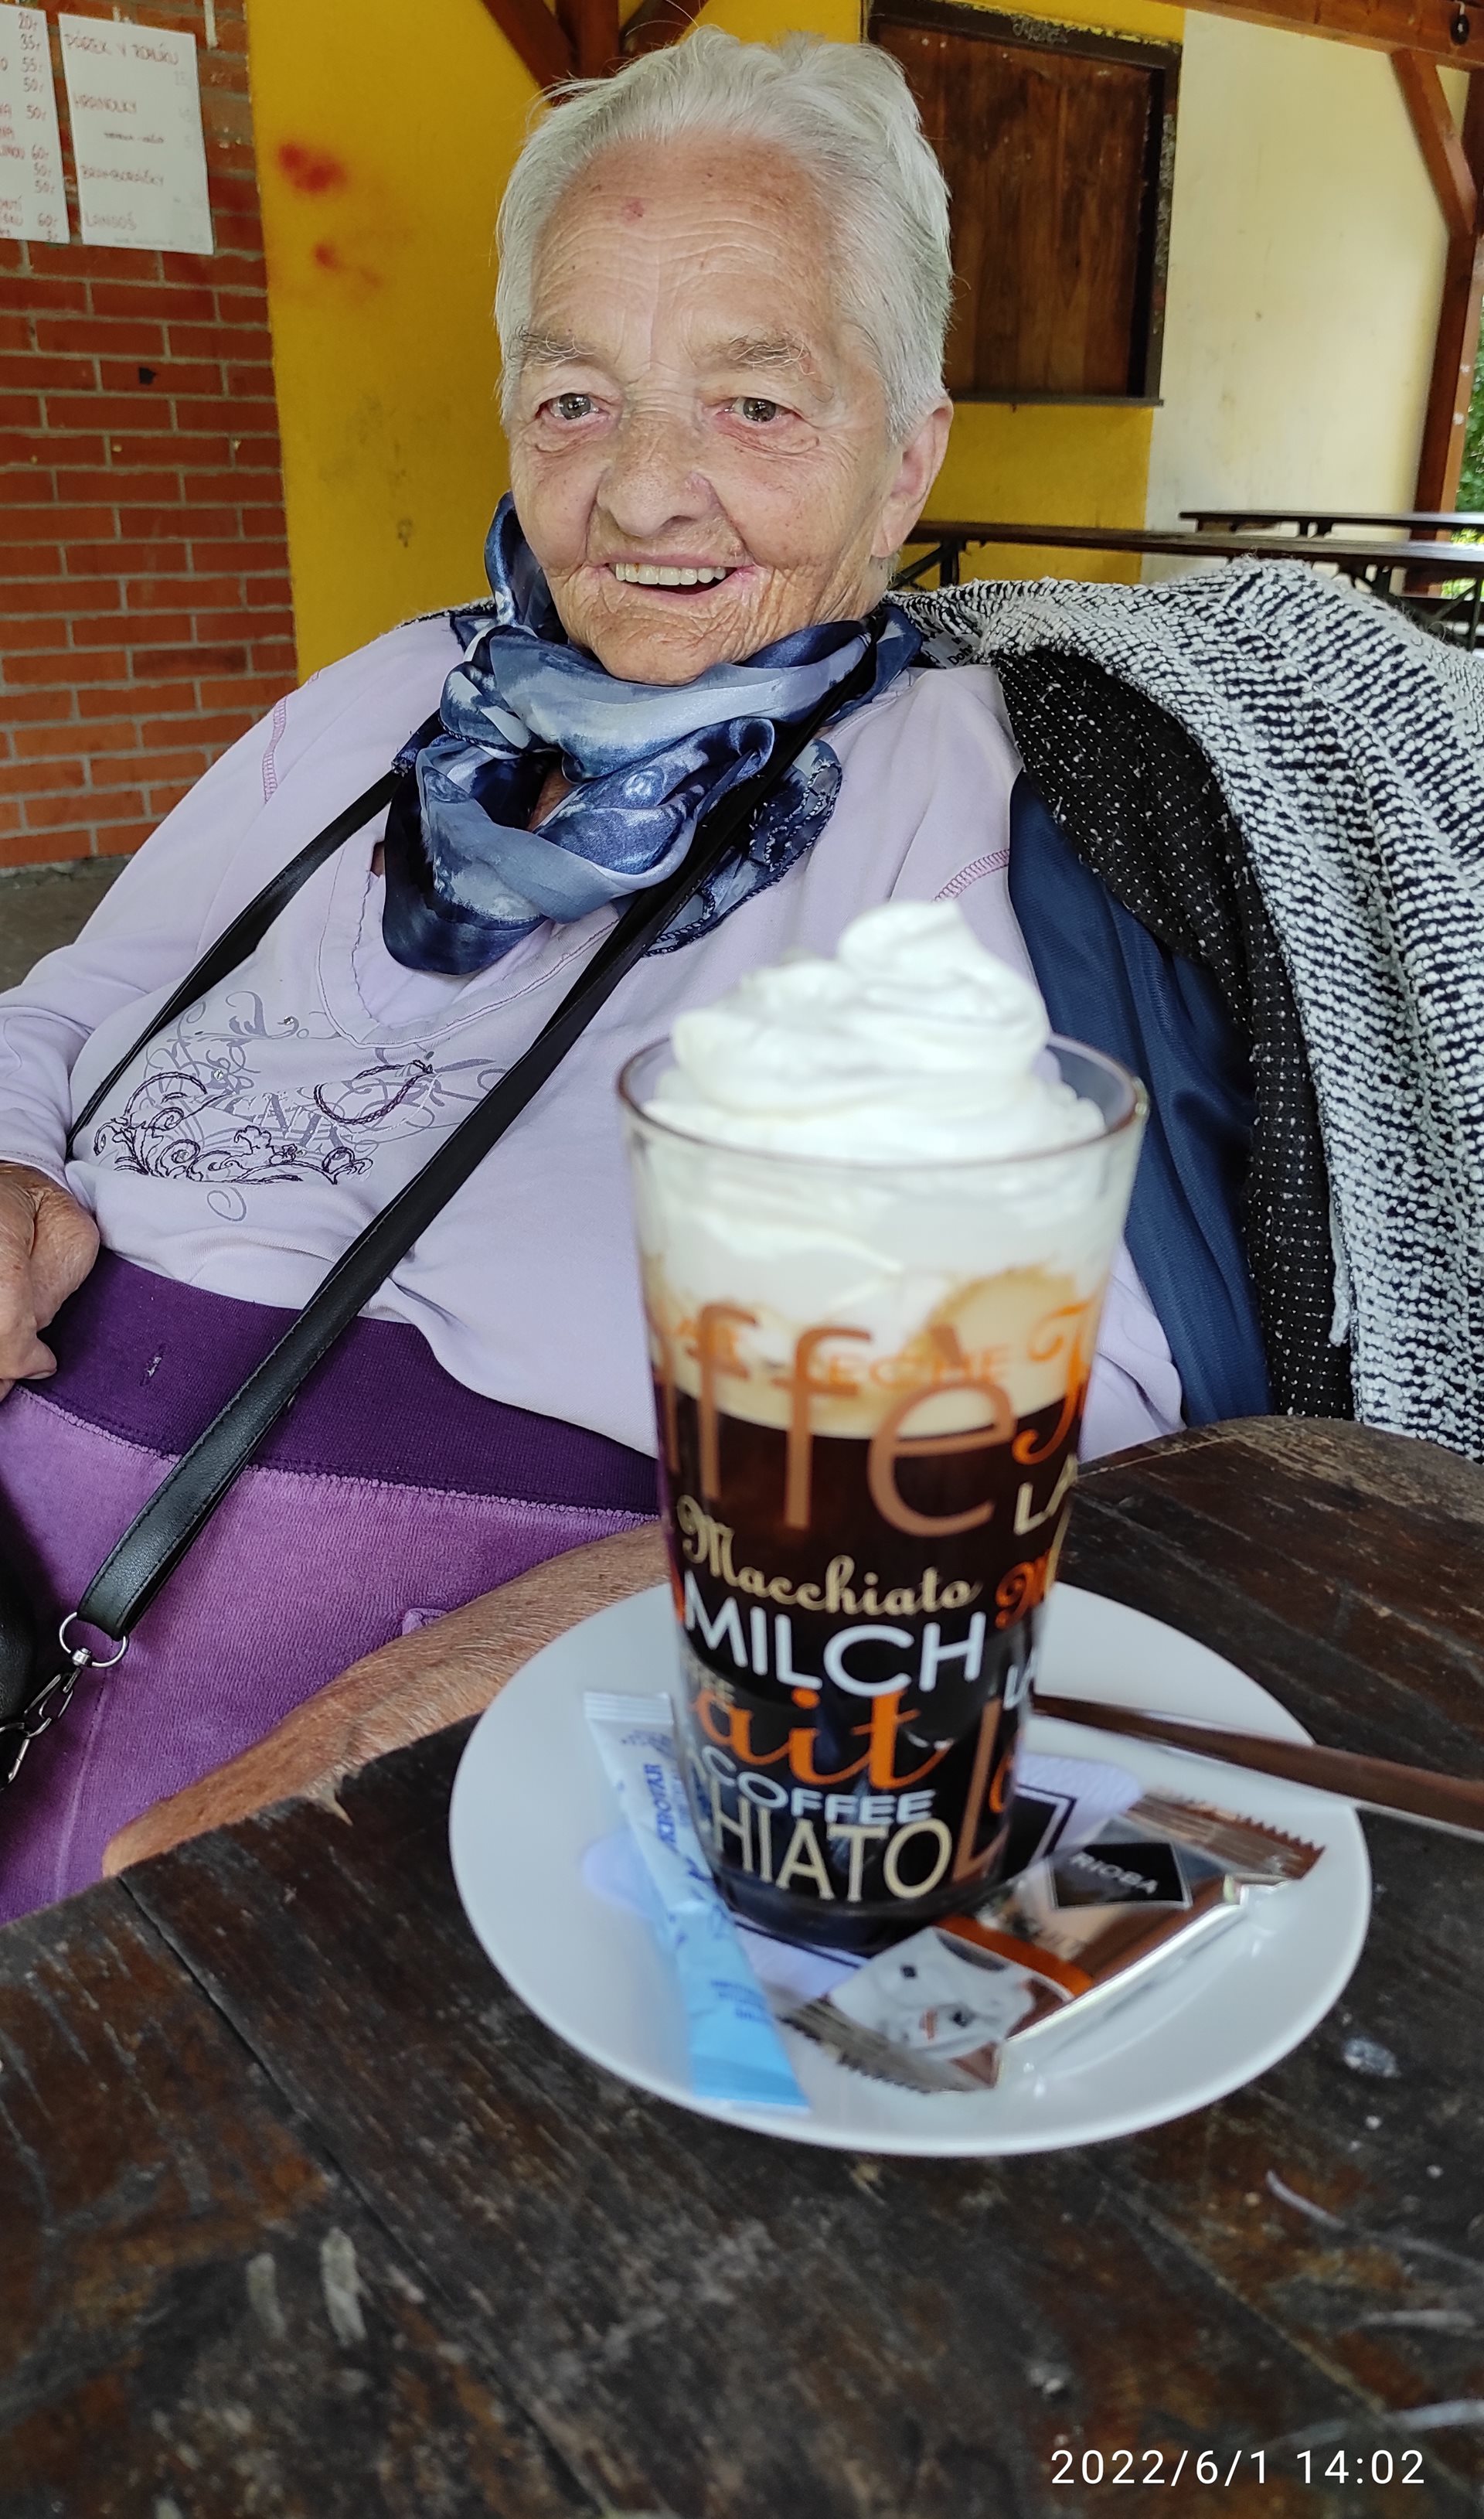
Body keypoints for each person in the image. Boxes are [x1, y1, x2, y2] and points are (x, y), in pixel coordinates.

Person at [0, 31, 1183, 1923]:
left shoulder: (968, 799)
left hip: (411, 1767)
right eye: (575, 400)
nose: (641, 496)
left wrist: (481, 1683)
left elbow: (1077, 1420)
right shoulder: (381, 701)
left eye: (754, 406)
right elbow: (73, 1000)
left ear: (908, 458)